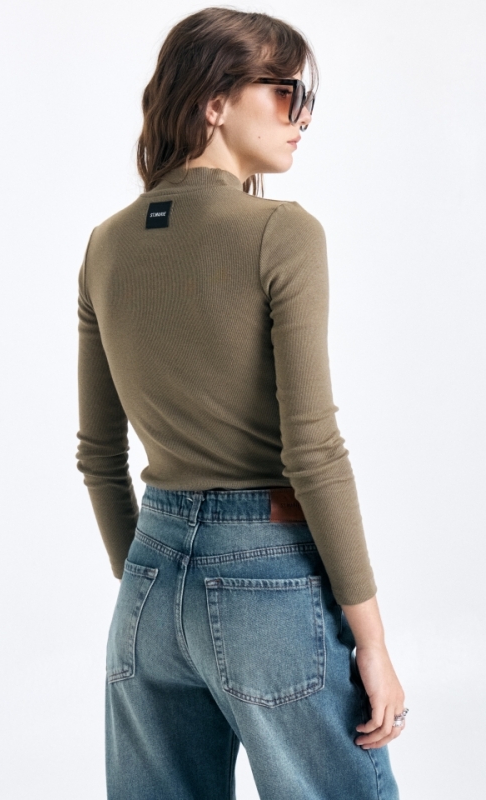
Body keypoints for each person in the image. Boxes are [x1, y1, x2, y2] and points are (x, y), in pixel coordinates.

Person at [76, 7, 407, 799]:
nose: (302, 116)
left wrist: (157, 583)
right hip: (266, 577)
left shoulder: (105, 244)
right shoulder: (280, 232)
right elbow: (312, 449)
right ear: (214, 101)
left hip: (147, 582)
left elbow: (99, 456)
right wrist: (371, 641)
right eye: (286, 91)